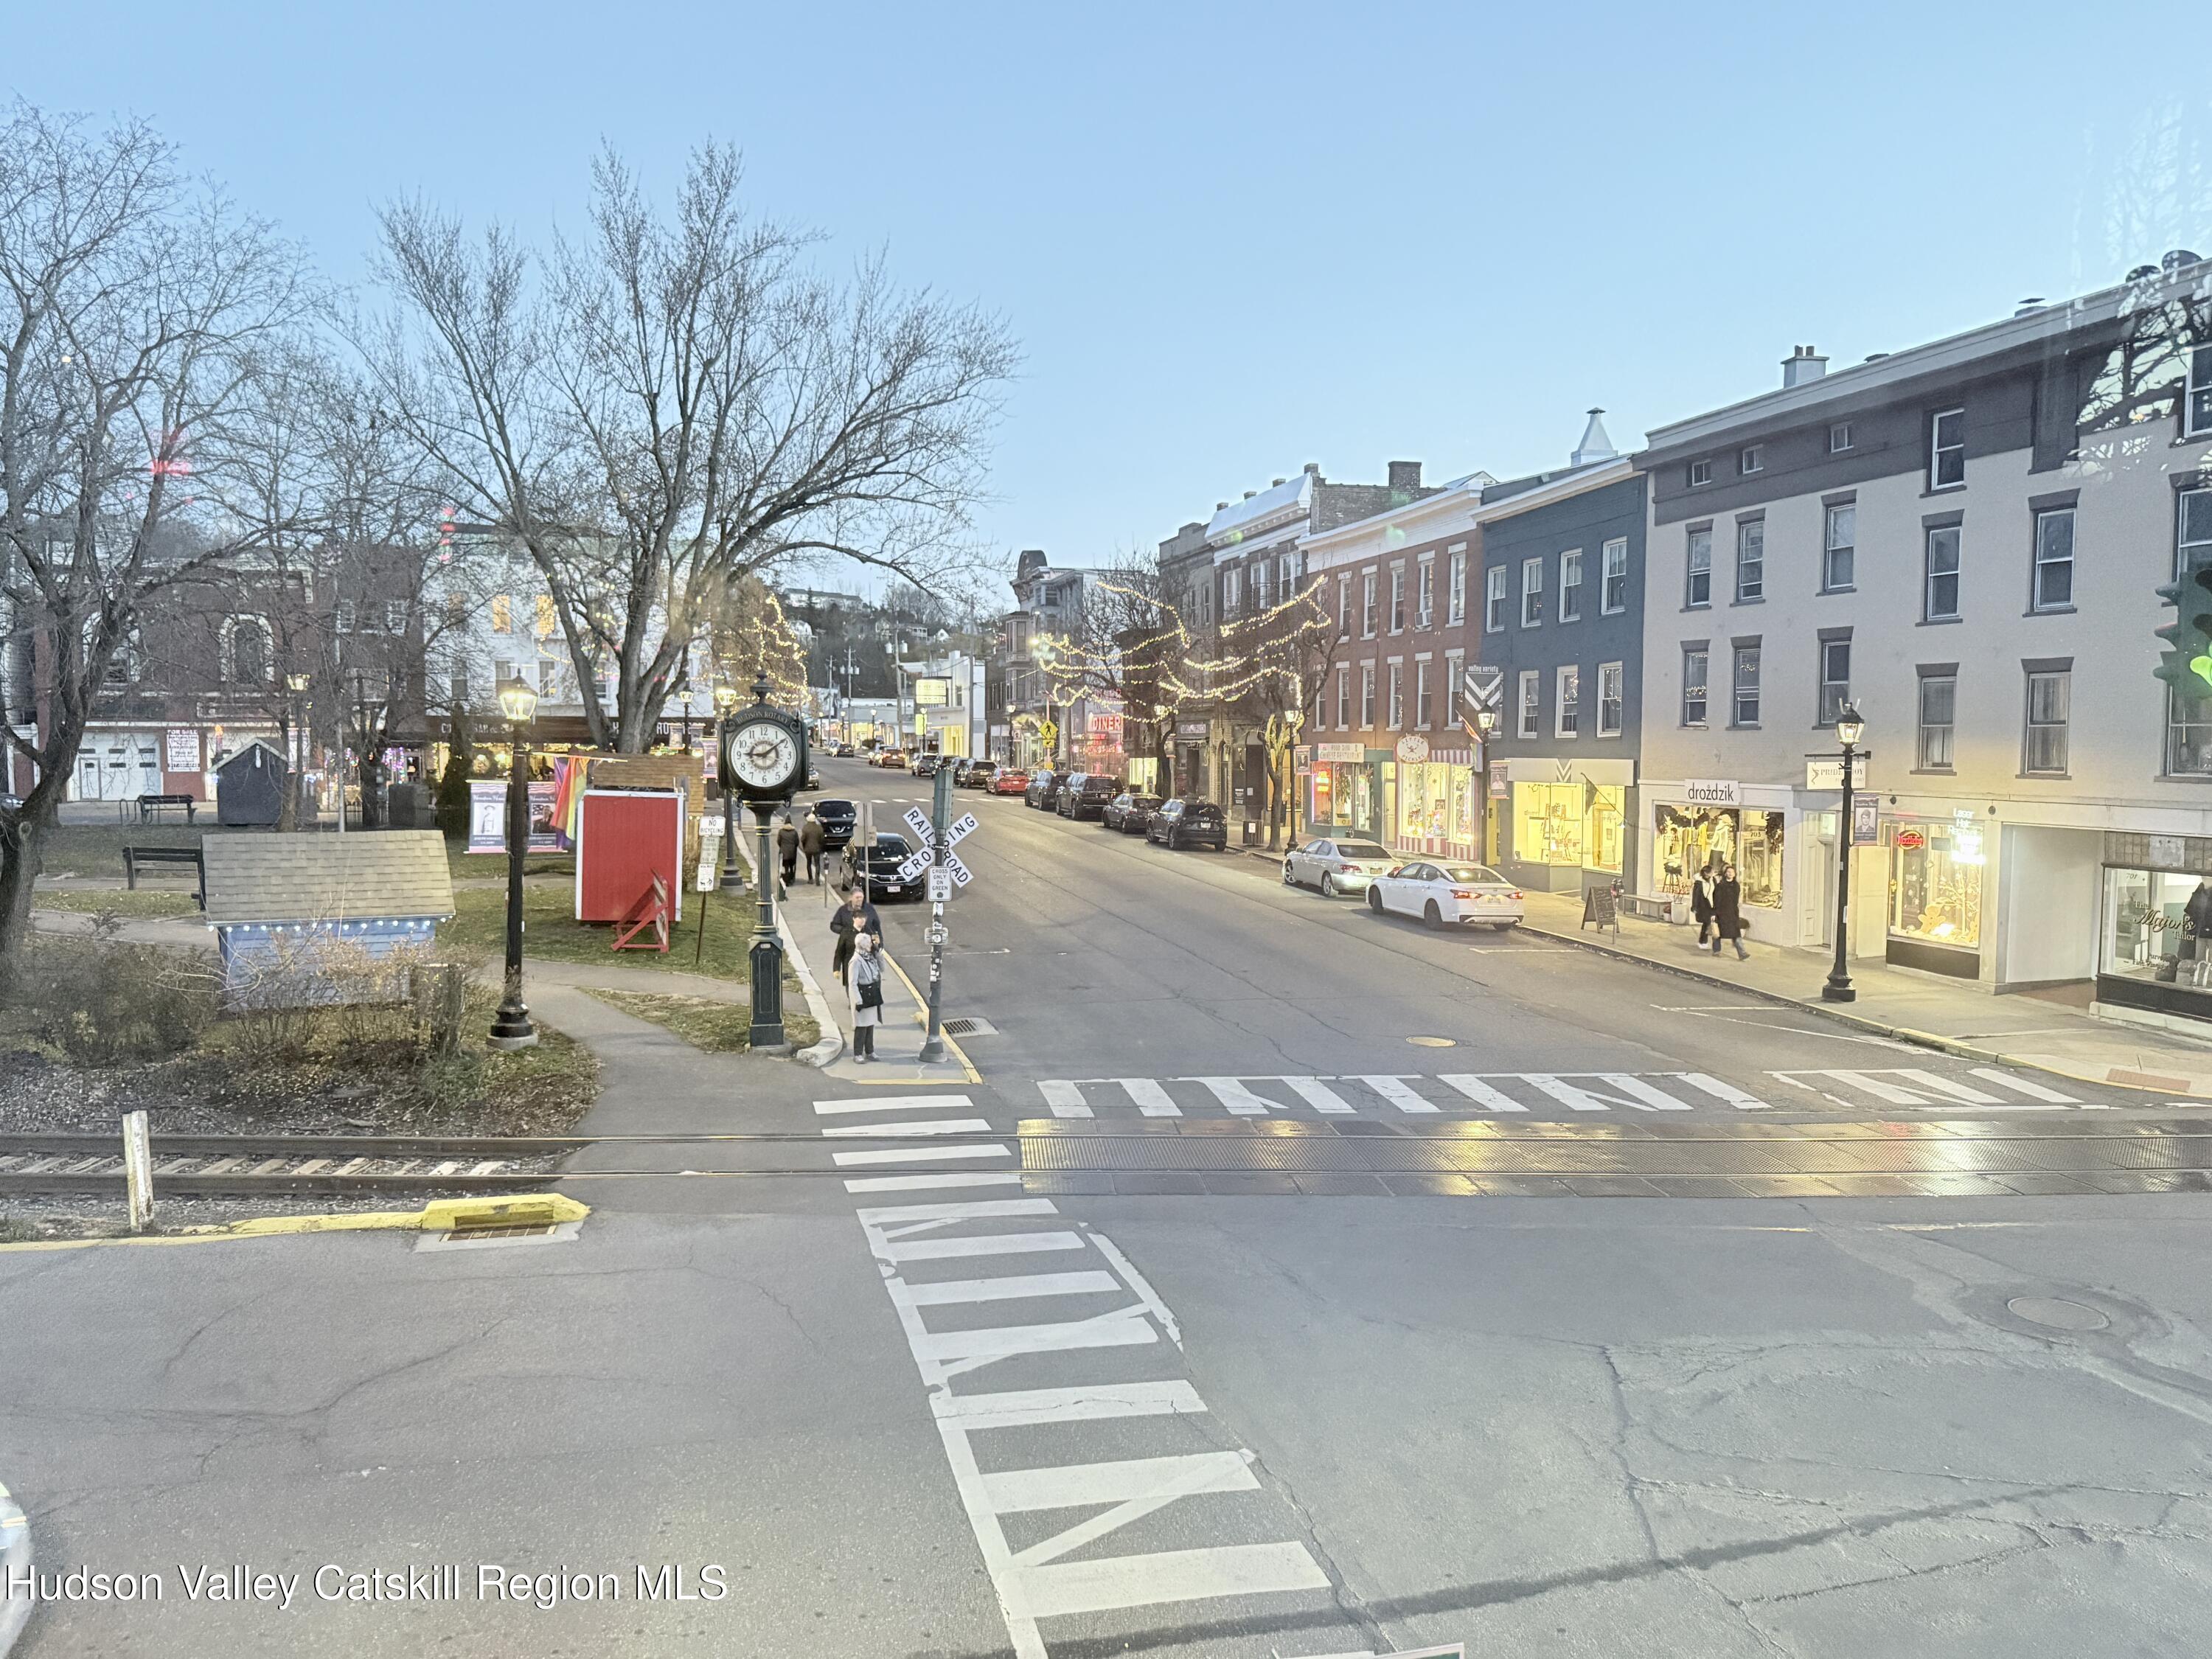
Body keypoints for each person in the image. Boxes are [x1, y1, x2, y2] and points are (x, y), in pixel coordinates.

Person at [831, 886, 883, 986]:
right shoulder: (843, 910)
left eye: (861, 897)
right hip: (850, 952)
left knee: (869, 980)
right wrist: (846, 932)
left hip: (867, 954)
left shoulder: (869, 909)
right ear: (851, 898)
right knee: (851, 982)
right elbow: (834, 926)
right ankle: (854, 1000)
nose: (860, 900)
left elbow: (876, 927)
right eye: (857, 898)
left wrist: (880, 944)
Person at [852, 933, 884, 1061]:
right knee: (861, 1026)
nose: (872, 945)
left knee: (870, 1024)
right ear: (864, 945)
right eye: (870, 944)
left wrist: (878, 954)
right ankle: (858, 1053)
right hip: (863, 994)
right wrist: (858, 1000)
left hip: (872, 993)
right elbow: (852, 983)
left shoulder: (870, 958)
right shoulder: (856, 961)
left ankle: (870, 1051)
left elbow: (882, 968)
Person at [1711, 862, 1749, 961]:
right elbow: (1716, 900)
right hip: (1721, 913)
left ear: (1735, 874)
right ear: (1725, 874)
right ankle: (1716, 950)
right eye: (1728, 872)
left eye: (1732, 872)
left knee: (1736, 933)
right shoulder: (1720, 886)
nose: (1730, 873)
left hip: (1732, 913)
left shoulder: (1736, 885)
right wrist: (1714, 913)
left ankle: (1742, 953)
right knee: (1717, 932)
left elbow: (1736, 900)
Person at [1689, 862, 1715, 946]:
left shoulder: (1713, 880)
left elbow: (1716, 891)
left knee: (1707, 923)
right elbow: (1696, 895)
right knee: (1707, 922)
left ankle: (1703, 941)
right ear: (1706, 873)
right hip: (1703, 904)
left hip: (1711, 904)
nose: (1712, 873)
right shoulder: (1699, 883)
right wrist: (1694, 907)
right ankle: (1703, 941)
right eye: (1711, 872)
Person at [800, 807, 826, 886]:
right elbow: (822, 839)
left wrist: (804, 846)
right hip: (817, 848)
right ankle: (817, 879)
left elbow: (803, 839)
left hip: (808, 849)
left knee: (809, 863)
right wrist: (820, 846)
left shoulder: (805, 828)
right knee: (817, 863)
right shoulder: (819, 828)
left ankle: (811, 879)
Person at [776, 811, 799, 888]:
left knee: (785, 867)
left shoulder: (781, 832)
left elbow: (778, 841)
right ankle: (791, 878)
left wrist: (782, 847)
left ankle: (786, 880)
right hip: (792, 852)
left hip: (784, 852)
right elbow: (797, 842)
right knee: (791, 866)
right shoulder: (794, 832)